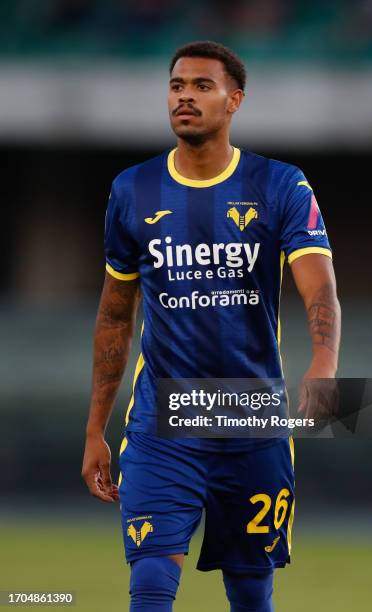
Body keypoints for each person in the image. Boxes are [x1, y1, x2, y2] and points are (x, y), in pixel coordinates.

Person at [81, 40, 341, 612]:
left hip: (251, 420)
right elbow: (114, 316)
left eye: (202, 86)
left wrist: (324, 364)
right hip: (160, 422)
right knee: (150, 582)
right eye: (177, 86)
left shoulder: (280, 185)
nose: (185, 97)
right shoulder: (132, 190)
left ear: (235, 100)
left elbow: (318, 284)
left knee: (250, 591)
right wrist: (95, 428)